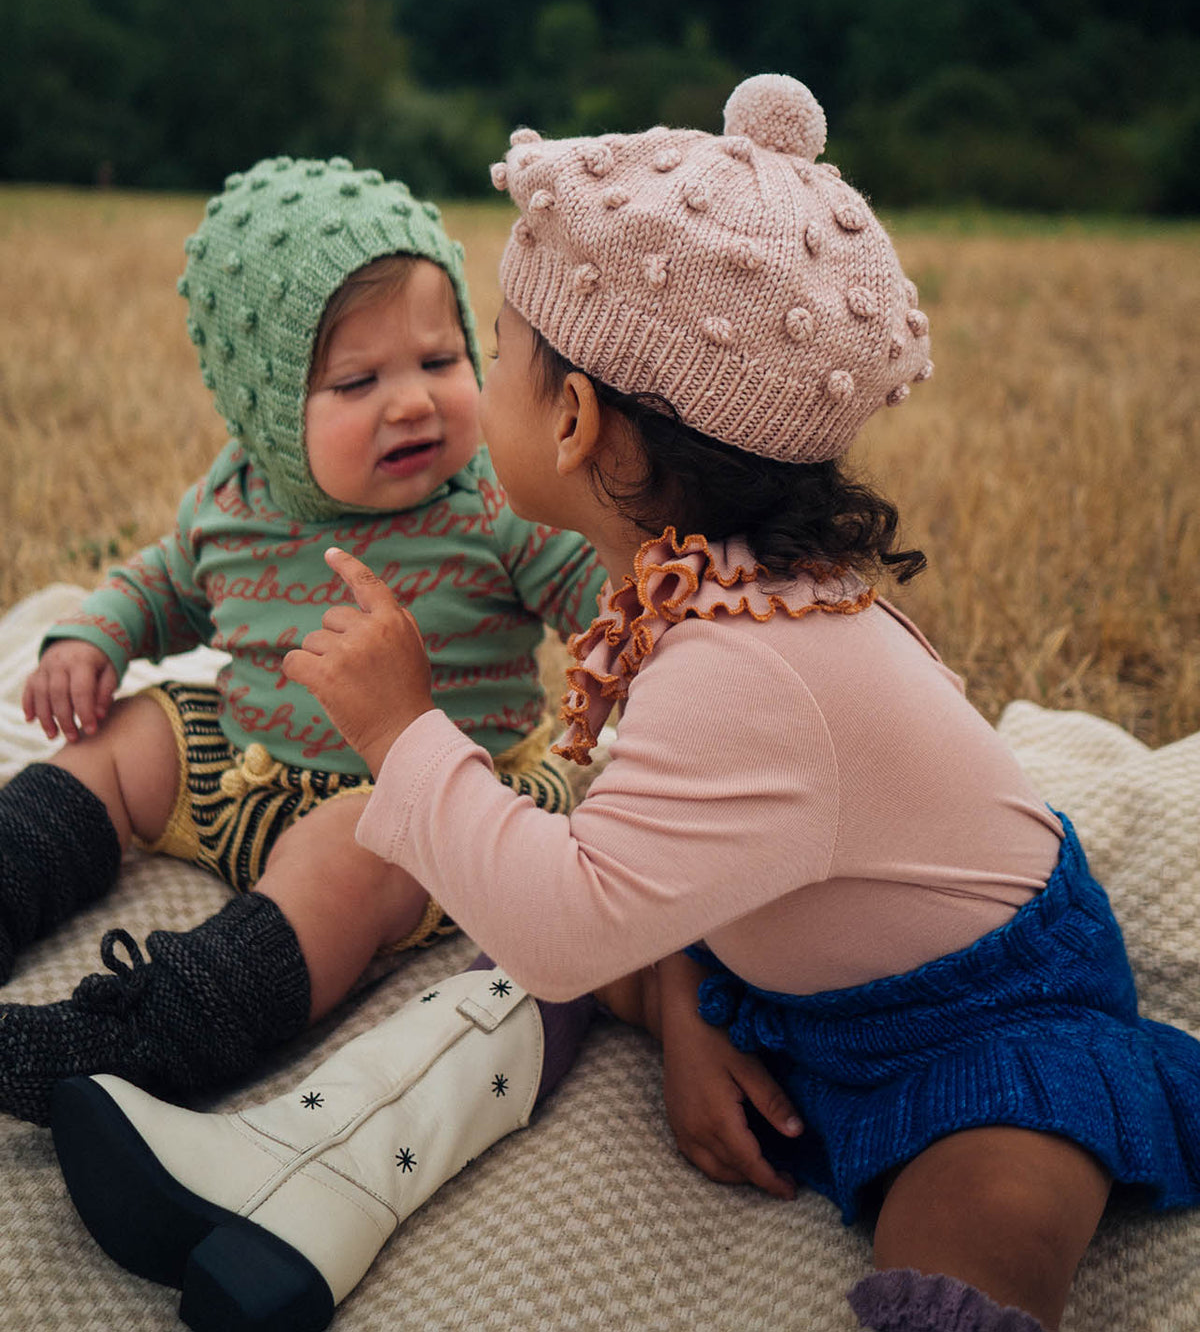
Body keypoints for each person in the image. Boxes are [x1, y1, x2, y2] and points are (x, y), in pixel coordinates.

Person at [49, 76, 1200, 1332]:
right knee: (533, 944)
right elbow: (683, 852)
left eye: (491, 350)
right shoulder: (705, 589)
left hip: (990, 1024)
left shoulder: (744, 668)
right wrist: (695, 987)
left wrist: (399, 730)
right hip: (798, 960)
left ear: (579, 417)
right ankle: (308, 1169)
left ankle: (297, 1165)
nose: (462, 391)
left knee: (966, 1256)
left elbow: (562, 921)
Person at [0, 154, 605, 1127]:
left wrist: (638, 646)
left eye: (441, 362)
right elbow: (163, 579)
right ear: (271, 411)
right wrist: (94, 638)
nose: (410, 402)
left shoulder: (497, 502)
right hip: (243, 768)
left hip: (429, 795)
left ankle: (159, 1027)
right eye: (358, 379)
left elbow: (601, 600)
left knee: (351, 847)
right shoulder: (238, 495)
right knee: (125, 738)